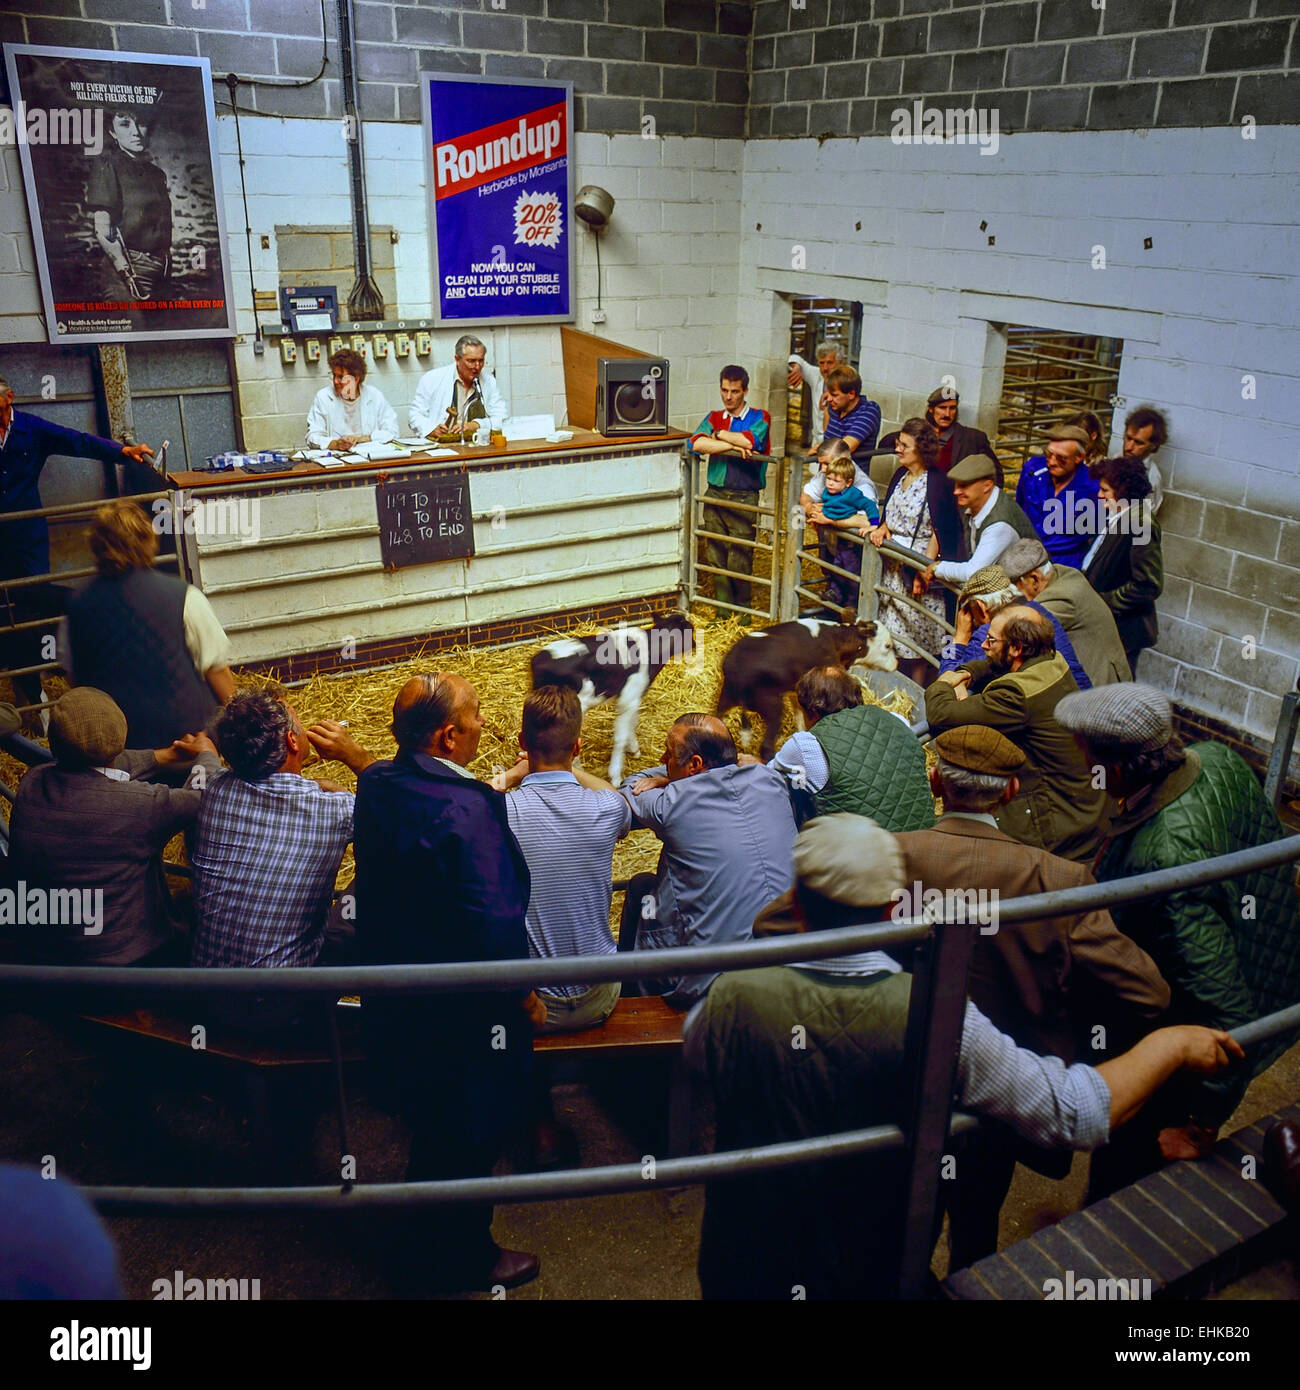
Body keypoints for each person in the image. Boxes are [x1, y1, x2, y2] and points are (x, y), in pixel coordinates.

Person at [687, 813, 1243, 1300]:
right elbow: (1073, 1110)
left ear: (797, 902)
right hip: (863, 1270)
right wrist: (1168, 1045)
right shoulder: (938, 1018)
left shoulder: (729, 997)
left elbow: (701, 1075)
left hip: (740, 1262)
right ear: (889, 908)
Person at [894, 725, 1169, 1267]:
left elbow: (777, 925)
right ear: (1011, 791)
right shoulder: (1060, 880)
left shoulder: (888, 857)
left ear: (934, 781)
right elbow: (1148, 992)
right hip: (1010, 1085)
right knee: (979, 1214)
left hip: (904, 1076)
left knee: (905, 1215)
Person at [1055, 684, 1300, 1188]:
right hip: (1270, 959)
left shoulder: (1166, 861)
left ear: (1117, 771)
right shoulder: (1216, 758)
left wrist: (1201, 1124)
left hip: (1189, 1044)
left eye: (1086, 757)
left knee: (1127, 1166)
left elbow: (1228, 1013)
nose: (1084, 768)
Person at [353, 672, 541, 1292]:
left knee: (430, 1126)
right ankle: (462, 1258)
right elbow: (494, 921)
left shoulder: (379, 783)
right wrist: (522, 992)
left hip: (399, 998)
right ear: (449, 734)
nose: (486, 724)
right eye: (479, 714)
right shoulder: (467, 809)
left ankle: (419, 1236)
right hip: (463, 1015)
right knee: (467, 1132)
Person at [4, 688, 218, 967]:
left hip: (49, 955)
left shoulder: (33, 782)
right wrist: (207, 757)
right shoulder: (142, 804)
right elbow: (201, 797)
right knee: (194, 912)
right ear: (122, 733)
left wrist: (163, 757)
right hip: (126, 965)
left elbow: (95, 767)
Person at [0, 373, 155, 716]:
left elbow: (77, 442)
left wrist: (122, 451)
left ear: (8, 398)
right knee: (4, 610)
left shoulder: (30, 428)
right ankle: (24, 682)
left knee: (30, 607)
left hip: (27, 539)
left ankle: (34, 687)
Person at [617, 713, 795, 1006]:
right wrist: (679, 772)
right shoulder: (770, 780)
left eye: (669, 753)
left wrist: (668, 779)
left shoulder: (671, 803)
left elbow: (632, 786)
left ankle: (632, 1001)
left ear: (695, 764)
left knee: (641, 888)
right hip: (790, 964)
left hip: (708, 985)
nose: (663, 758)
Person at [191, 691, 374, 971]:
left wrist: (205, 749)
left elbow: (208, 767)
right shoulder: (337, 811)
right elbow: (405, 809)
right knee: (372, 875)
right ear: (291, 741)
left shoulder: (214, 788)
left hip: (204, 988)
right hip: (282, 1000)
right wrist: (357, 757)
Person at [496, 685, 632, 1033]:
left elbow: (468, 801)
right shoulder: (606, 808)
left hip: (537, 1006)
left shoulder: (501, 812)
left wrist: (513, 776)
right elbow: (616, 797)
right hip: (602, 995)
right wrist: (572, 769)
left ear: (522, 741)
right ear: (578, 746)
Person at [925, 606, 1108, 862]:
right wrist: (966, 673)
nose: (985, 646)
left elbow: (941, 716)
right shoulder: (1053, 660)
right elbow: (994, 666)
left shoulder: (1016, 697)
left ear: (1017, 649)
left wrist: (944, 682)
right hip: (1085, 811)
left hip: (1055, 830)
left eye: (991, 640)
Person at [62, 500, 235, 750]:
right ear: (147, 540)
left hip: (115, 748)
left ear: (97, 546)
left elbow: (74, 676)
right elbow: (215, 668)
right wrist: (242, 723)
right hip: (188, 742)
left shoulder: (76, 603)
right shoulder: (182, 595)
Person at [770, 666, 934, 830]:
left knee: (794, 786)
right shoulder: (897, 720)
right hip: (924, 839)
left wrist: (754, 762)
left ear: (813, 711)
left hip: (866, 852)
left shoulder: (807, 745)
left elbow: (769, 774)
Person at [867, 418, 954, 683]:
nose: (898, 449)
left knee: (917, 636)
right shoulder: (900, 475)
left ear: (922, 449)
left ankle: (916, 694)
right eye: (898, 443)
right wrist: (882, 527)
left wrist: (925, 570)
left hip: (916, 569)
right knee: (894, 633)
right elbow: (890, 513)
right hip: (893, 568)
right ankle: (891, 688)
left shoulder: (937, 482)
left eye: (905, 445)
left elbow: (940, 528)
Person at [689, 365, 772, 617]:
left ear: (745, 390)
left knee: (740, 554)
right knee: (715, 552)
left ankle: (743, 611)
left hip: (744, 496)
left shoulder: (760, 416)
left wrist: (720, 436)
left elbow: (751, 442)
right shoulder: (714, 415)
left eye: (734, 391)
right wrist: (729, 444)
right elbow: (696, 443)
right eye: (724, 390)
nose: (728, 397)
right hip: (715, 492)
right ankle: (723, 612)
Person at [999, 536, 1131, 688]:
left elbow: (1017, 631)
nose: (1019, 593)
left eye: (1018, 586)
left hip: (1100, 683)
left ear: (1035, 578)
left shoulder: (1060, 598)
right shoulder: (1064, 574)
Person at [939, 563, 1091, 692]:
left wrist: (959, 639)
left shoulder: (988, 634)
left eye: (969, 609)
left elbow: (947, 681)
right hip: (1081, 697)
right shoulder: (1039, 612)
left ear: (981, 607)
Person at [1082, 456, 1163, 678]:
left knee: (1113, 692)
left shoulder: (1140, 524)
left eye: (1105, 490)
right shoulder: (1120, 516)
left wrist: (1103, 602)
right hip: (1106, 627)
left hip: (1123, 630)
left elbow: (1148, 585)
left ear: (1124, 491)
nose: (1100, 495)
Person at [87, 106, 172, 300]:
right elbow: (103, 230)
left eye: (140, 123)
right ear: (112, 133)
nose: (135, 132)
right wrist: (127, 274)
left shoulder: (157, 174)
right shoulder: (107, 165)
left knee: (163, 329)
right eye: (125, 125)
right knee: (132, 328)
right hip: (129, 268)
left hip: (163, 268)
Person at [923, 452, 1037, 589]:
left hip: (1028, 592)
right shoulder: (978, 503)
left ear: (987, 486)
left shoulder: (999, 524)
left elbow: (974, 572)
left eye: (964, 486)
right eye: (956, 485)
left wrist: (938, 568)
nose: (956, 492)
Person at [798, 438, 878, 612]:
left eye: (827, 463)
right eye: (822, 464)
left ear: (845, 461)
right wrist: (811, 508)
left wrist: (830, 520)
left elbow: (865, 520)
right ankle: (834, 605)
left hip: (856, 547)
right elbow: (805, 495)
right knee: (834, 571)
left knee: (852, 578)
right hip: (835, 543)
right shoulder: (829, 474)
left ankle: (850, 608)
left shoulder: (863, 487)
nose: (823, 470)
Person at [1014, 423, 1101, 568]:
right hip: (1025, 553)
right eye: (1048, 454)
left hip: (1065, 562)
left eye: (1061, 458)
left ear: (1079, 457)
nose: (1052, 462)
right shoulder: (1033, 470)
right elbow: (1019, 506)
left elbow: (1097, 531)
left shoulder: (1093, 488)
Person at [880, 386, 1000, 481]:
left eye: (952, 408)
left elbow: (995, 474)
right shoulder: (919, 435)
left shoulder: (972, 438)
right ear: (931, 409)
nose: (947, 414)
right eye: (942, 408)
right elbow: (884, 445)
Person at [408, 334, 508, 441]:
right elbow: (414, 416)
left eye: (481, 360)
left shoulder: (489, 382)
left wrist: (475, 425)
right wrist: (431, 429)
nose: (477, 366)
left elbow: (501, 419)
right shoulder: (432, 379)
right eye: (471, 361)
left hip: (476, 444)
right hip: (442, 446)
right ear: (457, 359)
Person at [305, 348, 398, 451]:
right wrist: (335, 444)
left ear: (356, 378)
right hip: (337, 461)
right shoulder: (324, 397)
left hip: (370, 458)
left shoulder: (374, 396)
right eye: (334, 375)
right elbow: (312, 437)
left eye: (341, 377)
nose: (335, 381)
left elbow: (392, 431)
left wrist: (361, 439)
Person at [785, 341, 841, 447]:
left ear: (840, 362)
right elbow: (794, 357)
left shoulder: (848, 382)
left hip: (836, 441)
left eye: (830, 363)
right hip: (817, 441)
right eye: (821, 363)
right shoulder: (816, 375)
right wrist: (797, 367)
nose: (825, 368)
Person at [822, 364, 881, 456]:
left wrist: (819, 449)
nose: (828, 399)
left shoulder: (869, 411)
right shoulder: (833, 408)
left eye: (834, 395)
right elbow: (826, 441)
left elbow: (844, 448)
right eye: (828, 394)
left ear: (851, 394)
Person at [1121, 404, 1168, 511]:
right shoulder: (1115, 460)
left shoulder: (1151, 479)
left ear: (1153, 445)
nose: (1129, 447)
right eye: (1128, 438)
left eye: (1139, 443)